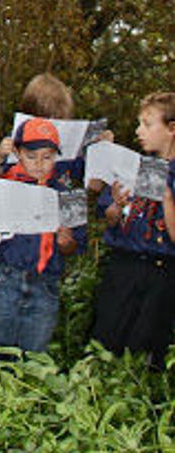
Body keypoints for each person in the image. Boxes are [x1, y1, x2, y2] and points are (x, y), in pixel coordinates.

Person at [0, 117, 86, 353]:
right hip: (4, 277)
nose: (40, 164)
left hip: (46, 283)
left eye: (48, 157)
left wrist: (66, 242)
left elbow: (74, 246)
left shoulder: (65, 195)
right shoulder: (2, 185)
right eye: (31, 156)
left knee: (33, 356)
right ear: (18, 153)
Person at [91, 91, 175, 368]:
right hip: (123, 265)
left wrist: (165, 197)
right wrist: (115, 206)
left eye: (148, 124)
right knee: (106, 340)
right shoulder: (130, 166)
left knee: (146, 351)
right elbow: (111, 218)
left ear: (171, 129)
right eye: (139, 123)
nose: (139, 131)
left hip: (162, 272)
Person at [0, 72, 113, 186]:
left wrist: (102, 150)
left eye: (59, 121)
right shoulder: (17, 139)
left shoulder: (69, 145)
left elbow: (94, 185)